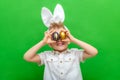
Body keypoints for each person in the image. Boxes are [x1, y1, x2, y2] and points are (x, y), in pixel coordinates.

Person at [23, 4, 98, 80]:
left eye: (62, 35)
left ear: (68, 39)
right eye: (54, 36)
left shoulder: (75, 54)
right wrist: (43, 42)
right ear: (49, 43)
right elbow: (27, 57)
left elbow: (93, 52)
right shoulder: (46, 56)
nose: (59, 39)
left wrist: (73, 39)